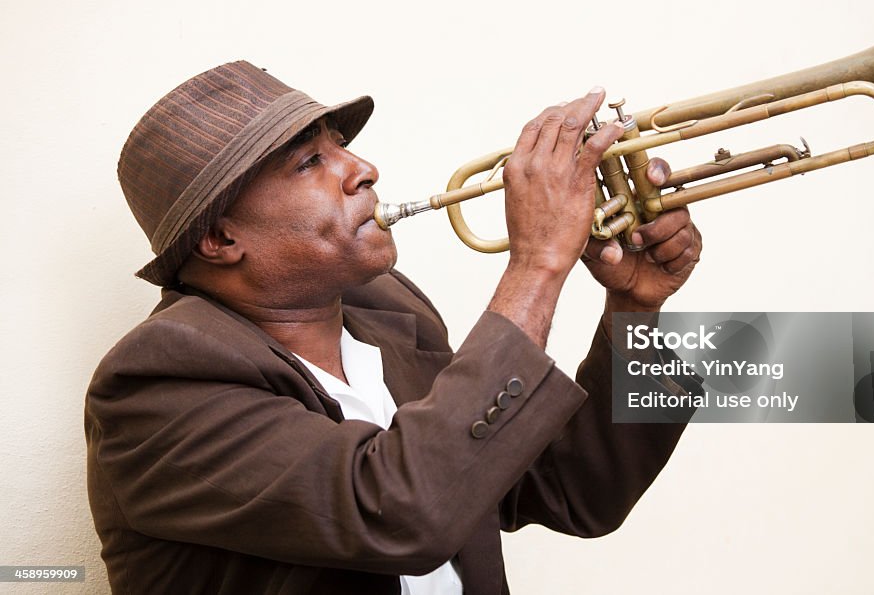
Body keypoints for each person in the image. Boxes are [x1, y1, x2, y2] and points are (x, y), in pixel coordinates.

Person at [85, 61, 704, 594]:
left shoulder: (390, 314)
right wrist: (538, 264)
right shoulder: (156, 385)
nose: (363, 168)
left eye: (340, 146)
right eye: (309, 163)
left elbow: (576, 490)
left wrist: (634, 313)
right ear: (220, 237)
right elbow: (399, 510)